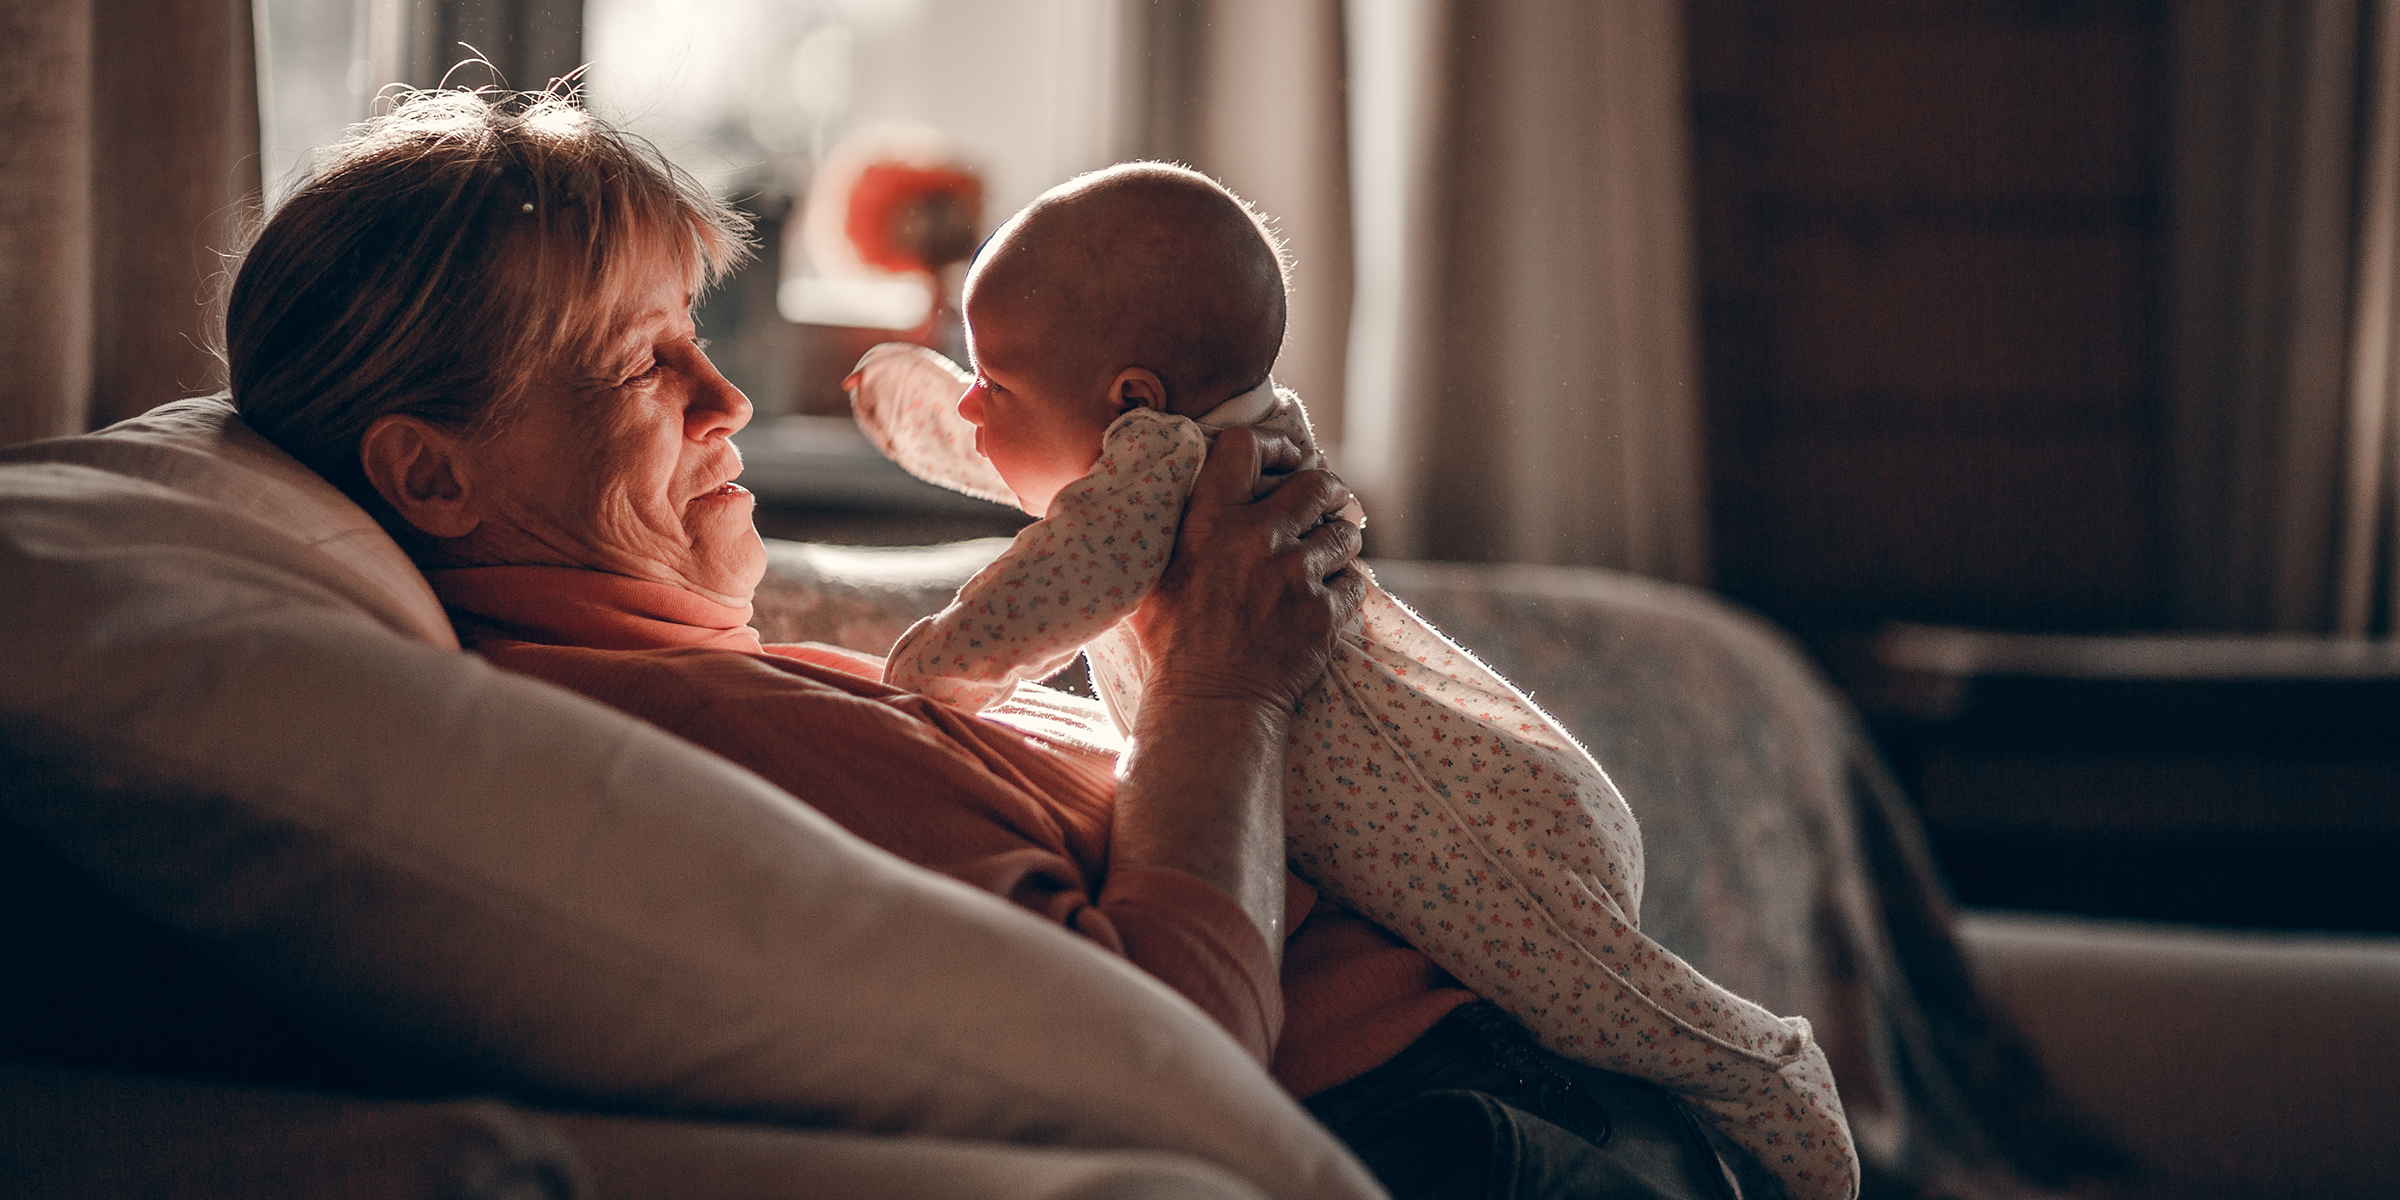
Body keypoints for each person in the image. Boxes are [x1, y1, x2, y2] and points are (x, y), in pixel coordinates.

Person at [222, 88, 1852, 1200]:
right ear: (432, 469)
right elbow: (1171, 1049)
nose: (725, 402)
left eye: (701, 343)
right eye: (642, 367)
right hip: (1455, 1132)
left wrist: (1217, 592)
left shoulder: (721, 660)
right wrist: (1225, 679)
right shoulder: (666, 732)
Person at [846, 164, 1854, 1200]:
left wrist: (935, 671)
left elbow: (1052, 581)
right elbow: (1052, 477)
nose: (972, 409)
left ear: (1132, 405)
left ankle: (1771, 1073)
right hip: (1514, 791)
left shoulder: (1156, 478)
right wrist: (951, 404)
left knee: (1606, 1003)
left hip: (1476, 832)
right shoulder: (1217, 443)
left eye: (990, 386)